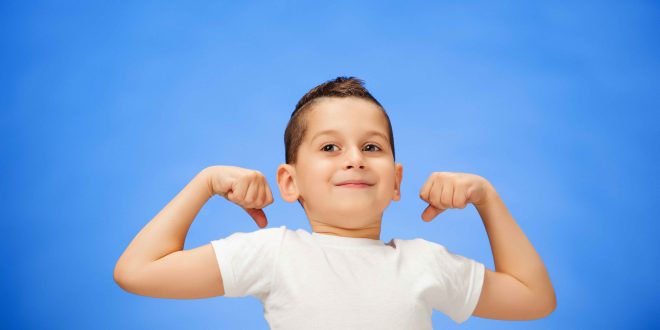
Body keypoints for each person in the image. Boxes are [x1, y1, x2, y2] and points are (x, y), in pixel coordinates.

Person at [113, 76, 556, 329]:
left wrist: (486, 198)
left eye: (372, 147)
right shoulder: (274, 253)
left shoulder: (425, 263)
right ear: (289, 182)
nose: (354, 161)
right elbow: (137, 271)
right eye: (329, 148)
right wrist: (204, 182)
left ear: (396, 181)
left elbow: (535, 299)